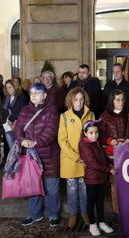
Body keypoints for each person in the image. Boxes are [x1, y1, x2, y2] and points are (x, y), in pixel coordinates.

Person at [14, 83, 61, 227]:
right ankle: (35, 214)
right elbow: (18, 129)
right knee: (33, 186)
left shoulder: (52, 110)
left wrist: (35, 142)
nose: (33, 95)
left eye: (37, 92)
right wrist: (22, 141)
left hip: (49, 156)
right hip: (30, 156)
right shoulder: (24, 110)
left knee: (51, 187)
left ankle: (53, 214)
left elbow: (51, 132)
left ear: (45, 95)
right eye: (31, 92)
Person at [58, 87, 95, 229]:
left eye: (81, 99)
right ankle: (73, 215)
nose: (79, 102)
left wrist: (87, 156)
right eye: (76, 100)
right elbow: (62, 140)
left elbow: (93, 137)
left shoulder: (91, 115)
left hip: (86, 160)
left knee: (84, 188)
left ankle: (85, 213)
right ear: (71, 101)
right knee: (72, 189)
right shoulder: (65, 117)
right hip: (70, 160)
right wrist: (75, 156)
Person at [99, 89, 129, 216]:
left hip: (128, 152)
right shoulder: (105, 116)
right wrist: (110, 140)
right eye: (117, 100)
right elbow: (101, 134)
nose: (120, 102)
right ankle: (117, 210)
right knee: (115, 182)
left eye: (122, 99)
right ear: (112, 101)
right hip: (112, 154)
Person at [79, 120, 115, 236]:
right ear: (85, 133)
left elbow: (103, 158)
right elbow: (92, 163)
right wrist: (109, 169)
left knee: (100, 202)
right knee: (91, 202)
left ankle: (101, 222)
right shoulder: (84, 145)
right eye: (91, 133)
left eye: (96, 132)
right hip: (92, 179)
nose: (94, 135)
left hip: (101, 178)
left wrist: (110, 164)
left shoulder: (97, 142)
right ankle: (92, 224)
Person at [3, 79, 28, 154]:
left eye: (10, 87)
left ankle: (20, 164)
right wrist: (7, 119)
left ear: (15, 87)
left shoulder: (21, 96)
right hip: (7, 125)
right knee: (12, 148)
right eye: (7, 88)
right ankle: (15, 163)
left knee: (18, 148)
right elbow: (4, 110)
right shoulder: (6, 97)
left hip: (18, 124)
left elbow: (23, 111)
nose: (8, 90)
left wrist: (12, 118)